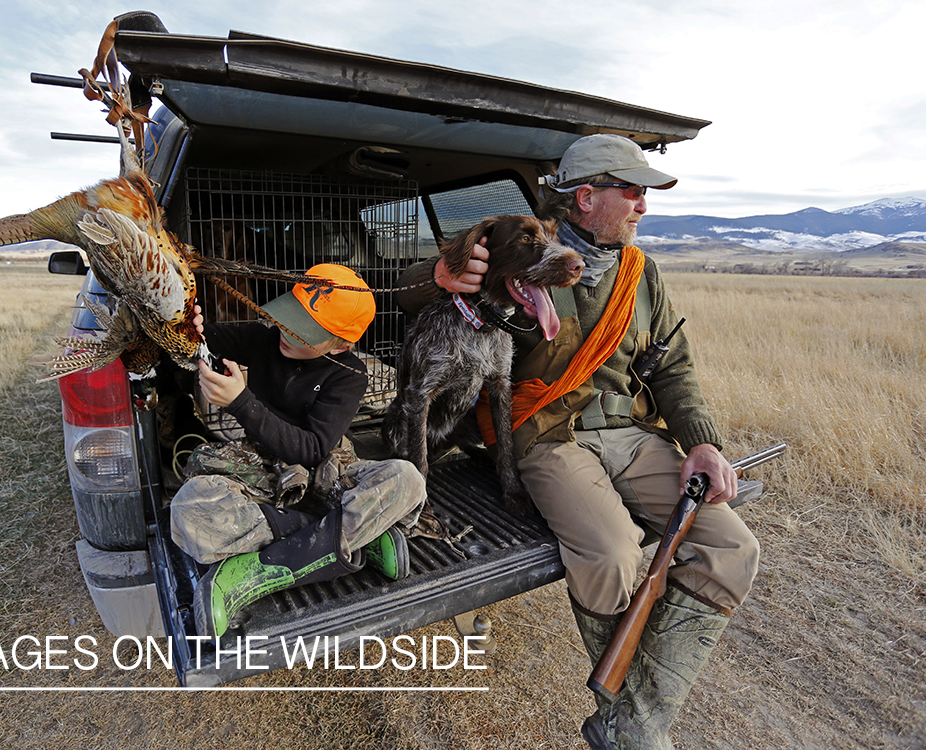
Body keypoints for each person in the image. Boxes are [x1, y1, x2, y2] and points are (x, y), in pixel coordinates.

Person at [394, 134, 759, 750]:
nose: (644, 205)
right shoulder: (522, 249)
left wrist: (702, 442)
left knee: (733, 548)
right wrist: (438, 274)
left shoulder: (644, 276)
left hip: (630, 433)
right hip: (547, 435)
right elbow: (408, 293)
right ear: (587, 198)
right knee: (613, 555)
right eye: (634, 192)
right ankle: (633, 724)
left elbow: (672, 367)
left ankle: (631, 720)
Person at [170, 263, 425, 640]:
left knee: (407, 479)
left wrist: (241, 402)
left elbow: (313, 449)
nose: (287, 332)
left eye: (305, 331)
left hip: (323, 468)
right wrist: (185, 321)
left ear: (341, 344)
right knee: (189, 510)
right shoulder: (263, 339)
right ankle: (354, 536)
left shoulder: (348, 374)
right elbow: (201, 338)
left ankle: (254, 574)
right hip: (260, 467)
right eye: (290, 317)